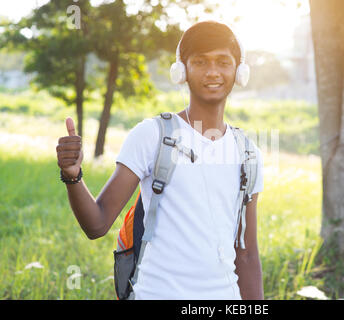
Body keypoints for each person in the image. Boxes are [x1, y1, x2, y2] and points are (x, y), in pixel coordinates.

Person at [56, 20, 264, 300]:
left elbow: (247, 254)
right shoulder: (151, 135)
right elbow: (97, 224)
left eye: (223, 62)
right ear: (182, 71)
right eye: (200, 62)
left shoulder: (247, 152)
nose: (213, 72)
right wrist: (72, 175)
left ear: (239, 72)